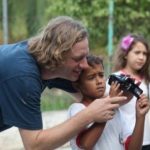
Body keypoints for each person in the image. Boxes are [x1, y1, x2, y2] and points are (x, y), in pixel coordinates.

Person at [0, 16, 127, 150]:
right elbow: (34, 145)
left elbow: (92, 98)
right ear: (57, 55)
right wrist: (88, 115)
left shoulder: (50, 62)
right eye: (78, 58)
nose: (84, 65)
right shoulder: (23, 76)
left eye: (85, 56)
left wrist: (122, 94)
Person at [67, 55, 149, 150]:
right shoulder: (77, 108)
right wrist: (110, 106)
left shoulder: (116, 110)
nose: (99, 81)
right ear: (77, 85)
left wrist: (140, 117)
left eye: (101, 75)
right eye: (91, 77)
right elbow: (85, 144)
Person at [108, 34, 150, 150]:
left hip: (147, 139)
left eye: (145, 53)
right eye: (137, 52)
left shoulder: (147, 80)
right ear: (125, 54)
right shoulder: (115, 79)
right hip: (127, 141)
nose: (142, 57)